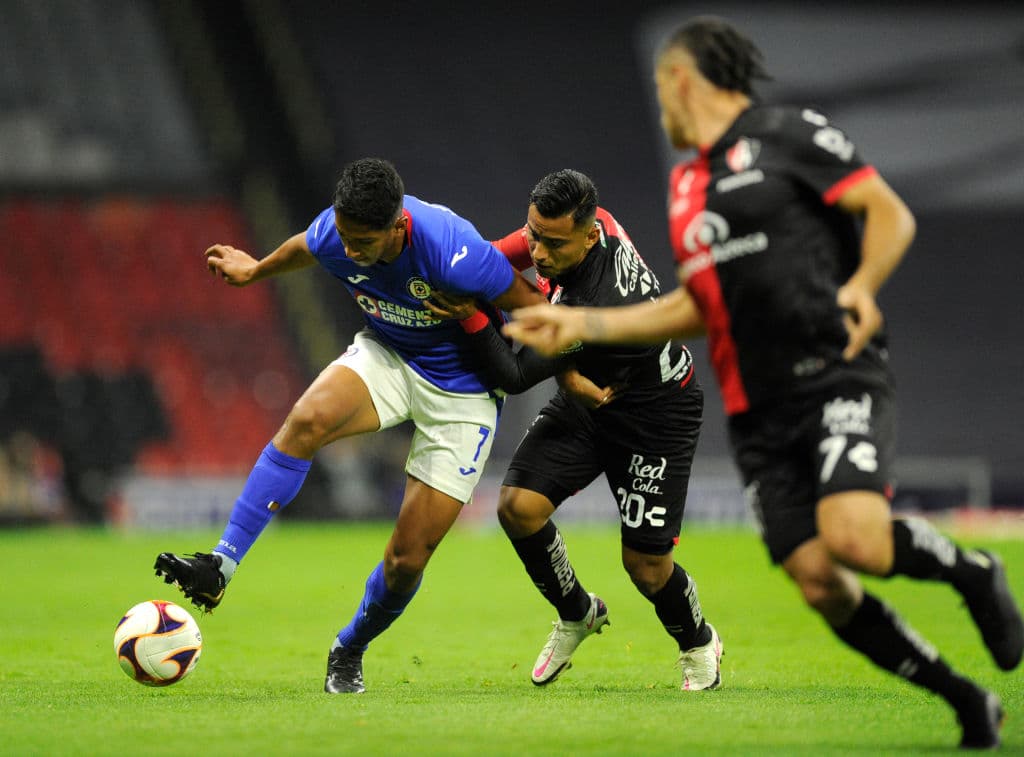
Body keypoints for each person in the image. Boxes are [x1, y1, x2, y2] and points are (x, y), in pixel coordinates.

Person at [502, 17, 1022, 750]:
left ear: (685, 80)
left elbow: (889, 214)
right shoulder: (688, 187)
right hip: (758, 406)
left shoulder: (790, 134)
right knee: (819, 578)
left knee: (854, 541)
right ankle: (964, 697)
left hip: (834, 367)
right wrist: (579, 328)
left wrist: (866, 283)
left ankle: (971, 570)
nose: (661, 107)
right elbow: (698, 304)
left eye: (661, 89)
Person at [154, 157, 547, 694]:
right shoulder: (335, 232)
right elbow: (307, 246)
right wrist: (256, 268)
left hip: (466, 390)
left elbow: (538, 307)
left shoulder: (455, 256)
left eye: (364, 242)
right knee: (306, 419)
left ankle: (350, 646)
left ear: (399, 227)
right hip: (390, 355)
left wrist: (551, 371)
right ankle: (220, 565)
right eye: (345, 237)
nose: (351, 251)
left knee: (407, 559)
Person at [427, 169, 722, 690]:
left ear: (589, 237)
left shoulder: (600, 303)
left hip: (654, 413)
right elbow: (496, 258)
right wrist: (458, 271)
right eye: (533, 233)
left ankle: (699, 642)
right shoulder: (591, 222)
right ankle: (578, 612)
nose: (537, 252)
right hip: (590, 397)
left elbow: (515, 374)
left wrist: (472, 313)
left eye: (551, 243)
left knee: (646, 568)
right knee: (518, 506)